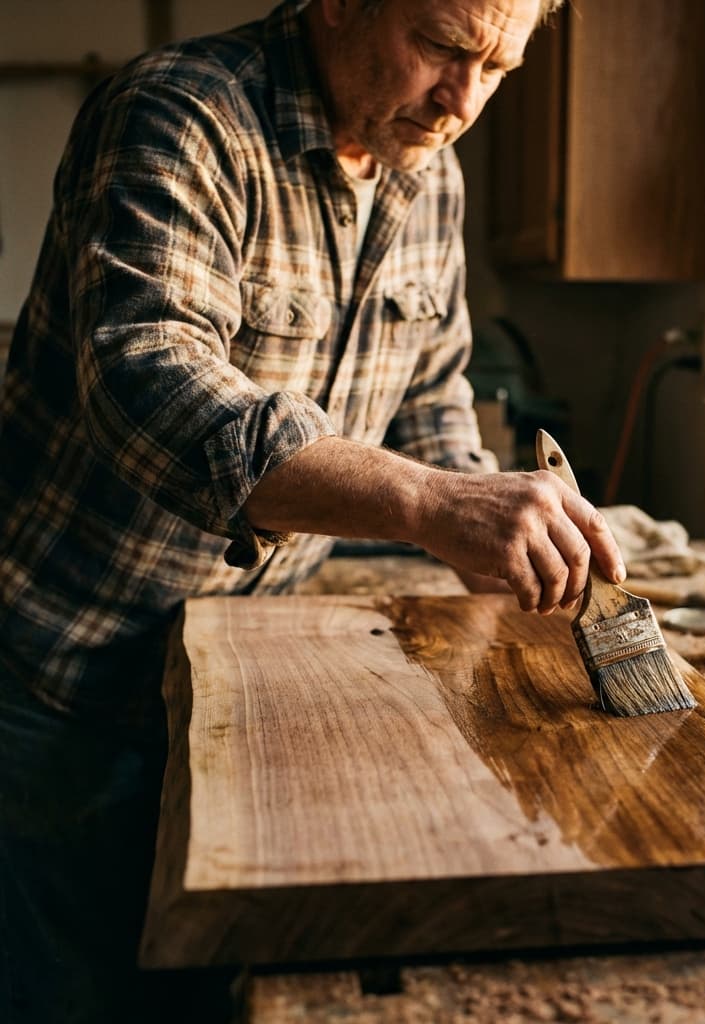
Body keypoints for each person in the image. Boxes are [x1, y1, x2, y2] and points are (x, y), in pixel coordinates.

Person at [0, 1, 627, 1020]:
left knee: (211, 997)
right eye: (443, 45)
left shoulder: (431, 174)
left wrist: (487, 519)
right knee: (63, 996)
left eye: (499, 67)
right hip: (57, 676)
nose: (463, 100)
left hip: (234, 679)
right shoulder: (182, 115)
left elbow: (430, 402)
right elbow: (148, 380)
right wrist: (432, 502)